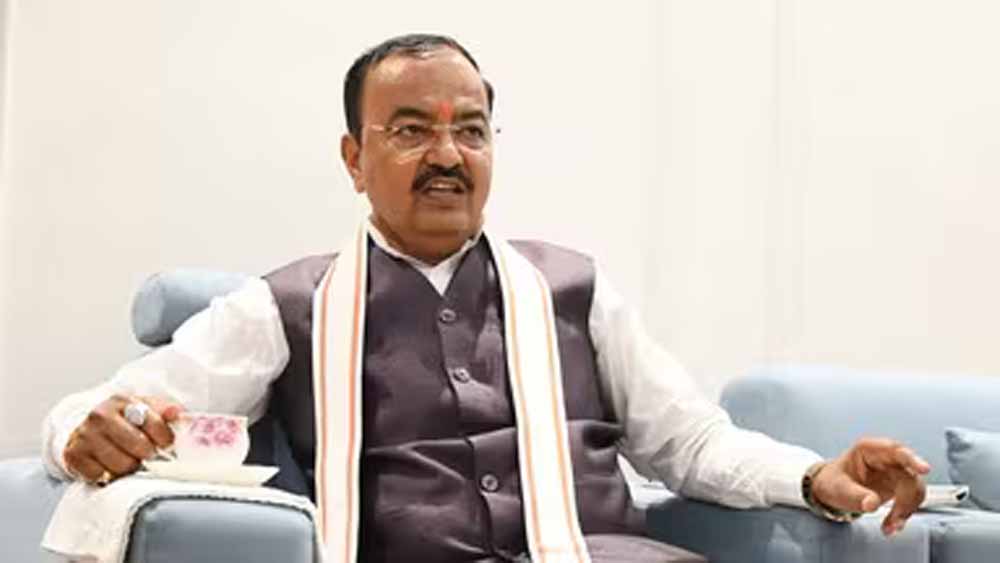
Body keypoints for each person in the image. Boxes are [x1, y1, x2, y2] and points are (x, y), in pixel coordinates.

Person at [41, 34, 928, 563]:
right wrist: (84, 431)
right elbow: (101, 410)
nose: (447, 154)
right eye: (411, 130)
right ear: (354, 159)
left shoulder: (575, 288)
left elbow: (689, 442)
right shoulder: (286, 303)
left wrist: (816, 476)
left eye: (470, 129)